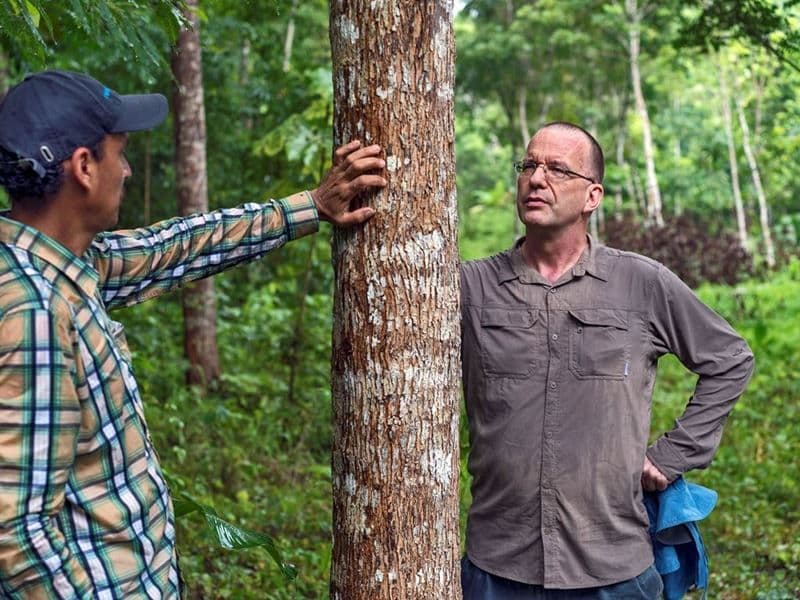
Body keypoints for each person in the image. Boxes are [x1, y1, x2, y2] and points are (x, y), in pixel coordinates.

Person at [0, 69, 386, 598]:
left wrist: (309, 207)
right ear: (84, 167)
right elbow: (18, 537)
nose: (130, 170)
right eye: (121, 152)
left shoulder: (61, 266)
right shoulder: (34, 309)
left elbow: (174, 248)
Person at [459, 121, 754, 599]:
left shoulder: (640, 283)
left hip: (614, 566)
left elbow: (730, 359)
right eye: (529, 165)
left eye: (557, 169)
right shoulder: (471, 288)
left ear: (592, 196)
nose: (537, 178)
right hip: (498, 565)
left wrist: (673, 455)